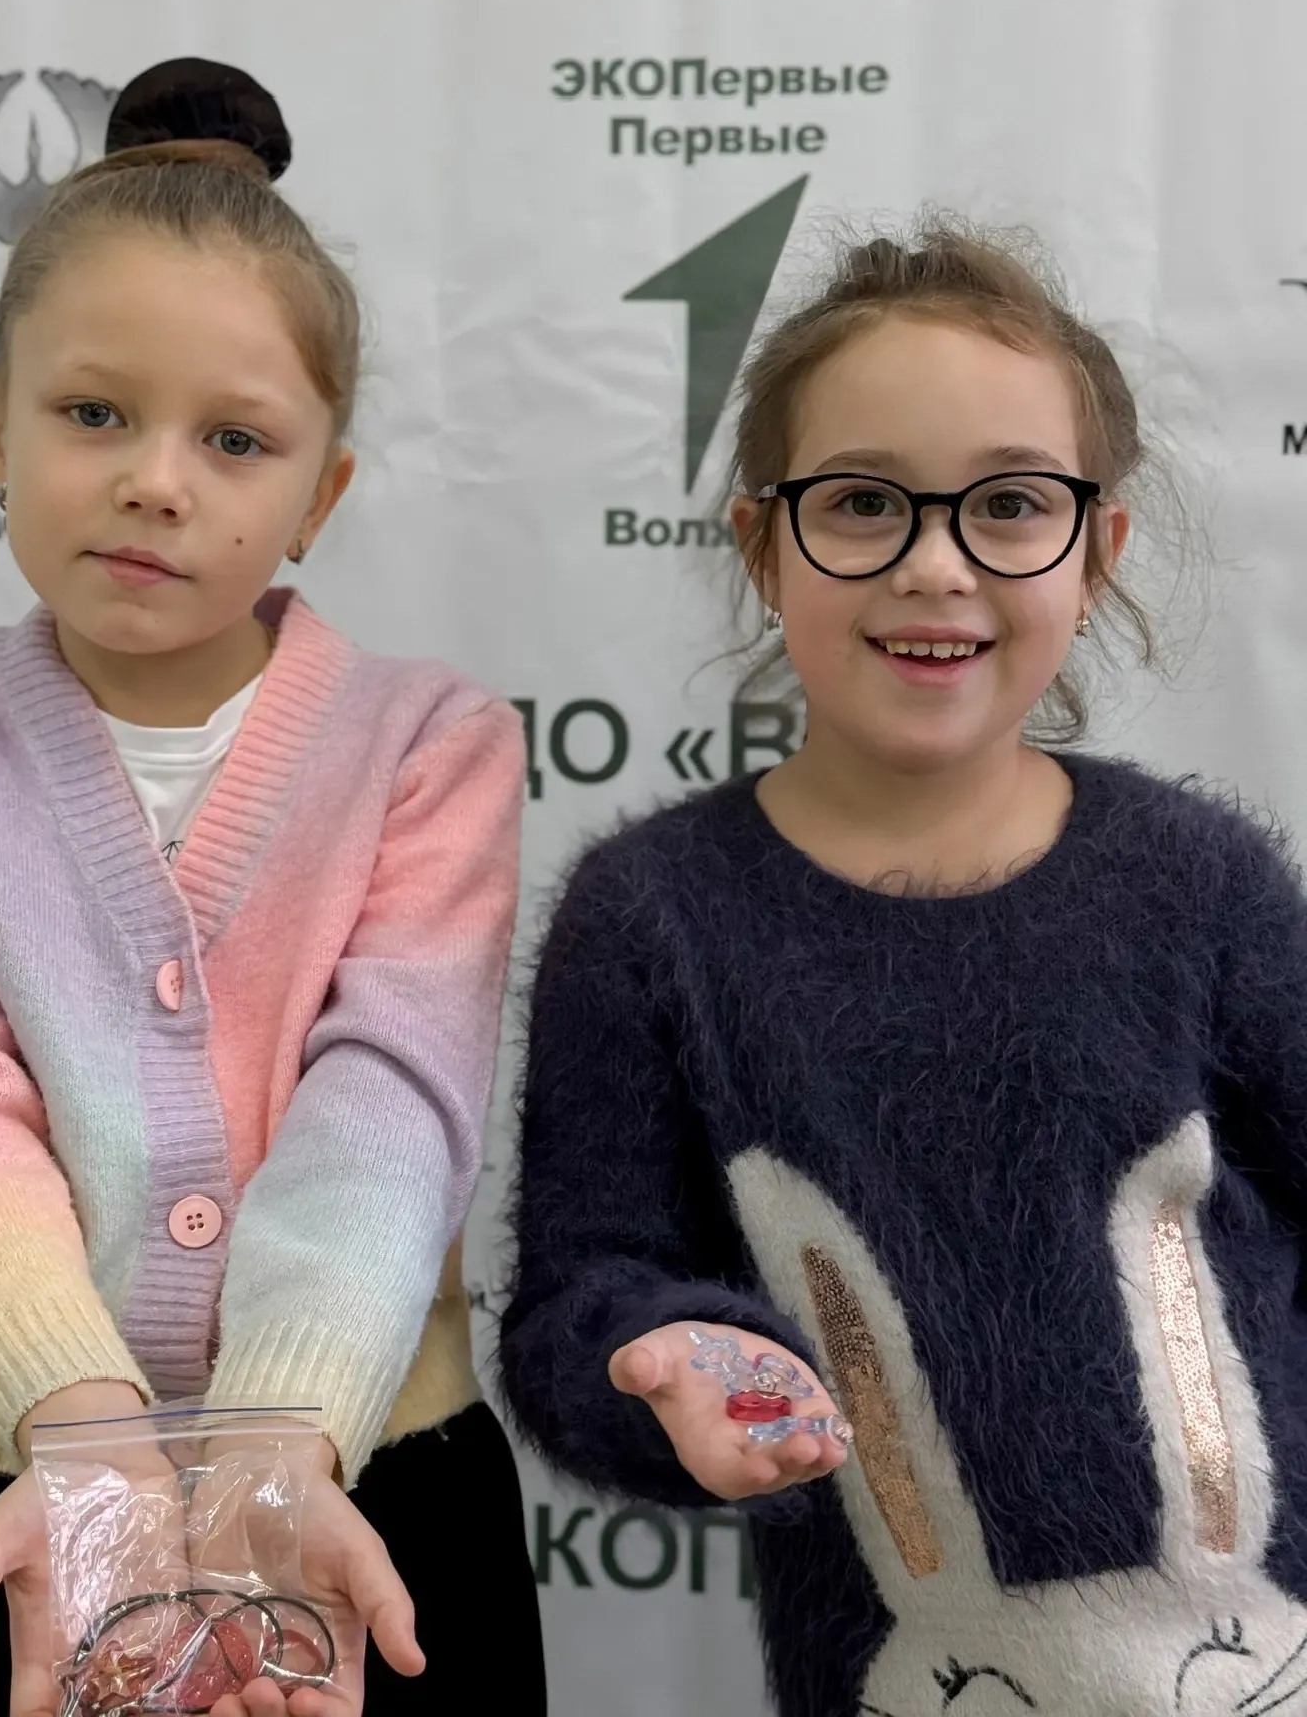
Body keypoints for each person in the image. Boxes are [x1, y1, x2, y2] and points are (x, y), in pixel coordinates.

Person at [500, 225, 1307, 1716]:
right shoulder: (649, 920)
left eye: (1011, 504)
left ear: (1098, 551)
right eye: (864, 502)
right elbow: (576, 1306)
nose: (936, 565)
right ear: (762, 544)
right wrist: (664, 1363)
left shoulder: (1209, 887)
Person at [0, 57, 545, 1716]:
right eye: (94, 414)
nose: (157, 480)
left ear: (319, 496)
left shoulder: (431, 744)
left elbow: (391, 1103)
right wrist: (86, 1435)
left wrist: (270, 1445)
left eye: (235, 440)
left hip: (355, 1481)